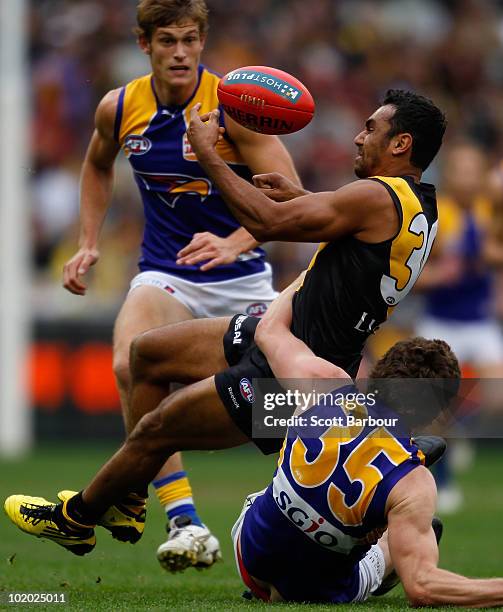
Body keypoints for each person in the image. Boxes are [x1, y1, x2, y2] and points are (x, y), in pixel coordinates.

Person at [3, 89, 446, 564]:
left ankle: (76, 519)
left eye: (371, 129)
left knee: (156, 430)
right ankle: (129, 496)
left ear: (400, 144)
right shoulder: (419, 205)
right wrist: (301, 197)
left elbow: (268, 222)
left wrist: (208, 155)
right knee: (146, 354)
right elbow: (354, 232)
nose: (359, 137)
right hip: (279, 334)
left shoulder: (374, 195)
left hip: (293, 374)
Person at [61, 0, 301, 572]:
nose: (180, 52)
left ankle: (326, 518)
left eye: (190, 40)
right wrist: (89, 241)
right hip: (166, 272)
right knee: (129, 364)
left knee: (295, 413)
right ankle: (183, 521)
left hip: (243, 279)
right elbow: (96, 165)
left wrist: (234, 242)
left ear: (202, 43)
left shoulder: (236, 108)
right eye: (167, 40)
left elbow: (291, 195)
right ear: (145, 44)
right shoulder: (119, 108)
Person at [226, 292, 503, 607]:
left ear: (378, 375)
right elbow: (423, 587)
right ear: (438, 414)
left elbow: (268, 331)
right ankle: (382, 529)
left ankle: (373, 508)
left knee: (277, 487)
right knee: (392, 536)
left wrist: (309, 274)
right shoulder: (415, 482)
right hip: (313, 593)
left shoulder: (325, 382)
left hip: (247, 554)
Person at [416, 143, 503, 513]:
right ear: (450, 176)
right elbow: (414, 275)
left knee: (497, 398)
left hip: (480, 321)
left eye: (473, 170)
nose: (467, 178)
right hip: (441, 322)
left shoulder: (489, 213)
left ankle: (461, 432)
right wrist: (439, 275)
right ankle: (444, 480)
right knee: (433, 408)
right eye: (460, 170)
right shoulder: (439, 216)